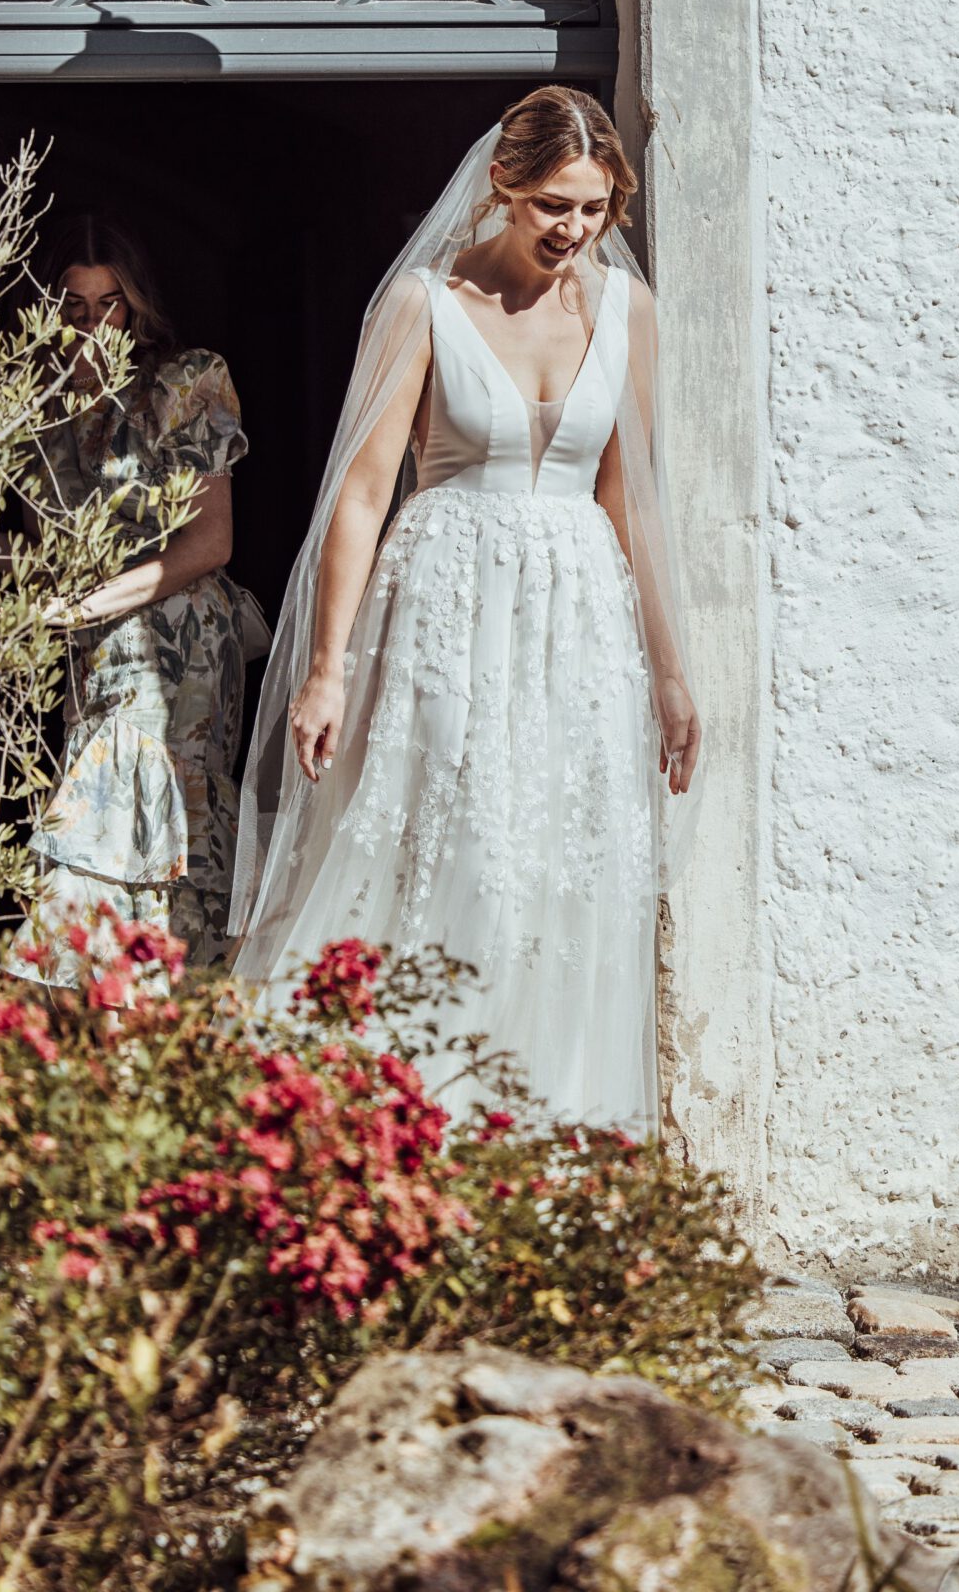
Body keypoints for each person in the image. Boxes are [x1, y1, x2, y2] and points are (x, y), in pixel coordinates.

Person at [231, 87, 702, 1131]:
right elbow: (361, 494)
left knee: (564, 863)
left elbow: (634, 500)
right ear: (502, 186)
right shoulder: (423, 303)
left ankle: (539, 1130)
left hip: (580, 619)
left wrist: (670, 676)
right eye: (552, 205)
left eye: (594, 209)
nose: (573, 230)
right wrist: (326, 666)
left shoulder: (629, 312)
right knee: (459, 846)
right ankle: (404, 1124)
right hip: (446, 605)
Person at [7, 214, 251, 975]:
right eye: (74, 306)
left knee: (169, 832)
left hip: (180, 640)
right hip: (91, 647)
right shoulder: (38, 406)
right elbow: (44, 546)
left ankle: (177, 1007)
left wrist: (86, 606)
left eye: (108, 303)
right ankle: (114, 1018)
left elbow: (211, 541)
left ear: (136, 302)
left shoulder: (184, 381)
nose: (92, 325)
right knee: (99, 840)